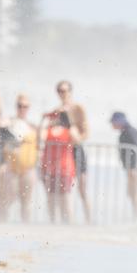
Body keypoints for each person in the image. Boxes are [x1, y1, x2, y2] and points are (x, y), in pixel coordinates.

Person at [53, 80, 92, 222]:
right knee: (64, 189)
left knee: (82, 188)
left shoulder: (78, 108)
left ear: (70, 91)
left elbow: (86, 132)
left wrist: (76, 137)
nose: (63, 94)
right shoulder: (57, 110)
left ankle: (88, 220)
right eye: (60, 91)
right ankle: (66, 221)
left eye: (65, 90)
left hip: (76, 149)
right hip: (63, 151)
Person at [39, 109, 80, 224]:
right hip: (49, 169)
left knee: (65, 199)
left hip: (64, 170)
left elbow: (77, 139)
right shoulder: (48, 131)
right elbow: (40, 137)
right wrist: (43, 120)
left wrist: (69, 122)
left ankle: (68, 224)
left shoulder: (68, 130)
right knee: (51, 198)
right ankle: (53, 224)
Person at [110, 112, 137, 221]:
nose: (112, 125)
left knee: (136, 194)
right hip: (134, 166)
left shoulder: (130, 132)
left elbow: (136, 150)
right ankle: (136, 217)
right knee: (132, 194)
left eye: (113, 122)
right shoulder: (126, 132)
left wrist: (133, 168)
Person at [5, 94, 39, 222]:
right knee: (9, 197)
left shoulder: (32, 126)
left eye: (25, 106)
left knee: (26, 200)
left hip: (28, 168)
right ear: (16, 107)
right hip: (12, 167)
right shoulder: (9, 122)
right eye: (20, 106)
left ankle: (26, 226)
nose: (22, 109)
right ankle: (3, 223)